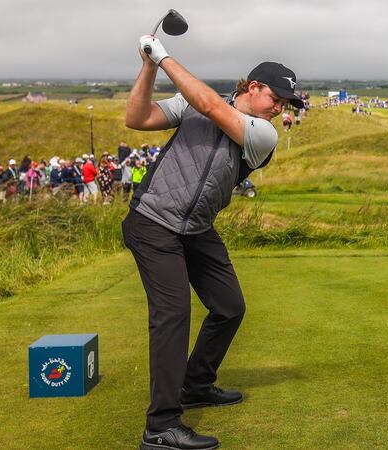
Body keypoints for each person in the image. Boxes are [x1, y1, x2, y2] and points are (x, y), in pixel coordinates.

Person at [122, 34, 302, 450]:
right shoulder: (191, 104)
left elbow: (210, 106)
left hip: (196, 228)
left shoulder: (263, 135)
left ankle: (196, 385)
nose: (280, 108)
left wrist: (163, 55)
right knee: (172, 315)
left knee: (229, 306)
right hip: (153, 222)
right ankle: (161, 426)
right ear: (252, 87)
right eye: (277, 97)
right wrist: (148, 66)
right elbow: (138, 117)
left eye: (286, 104)